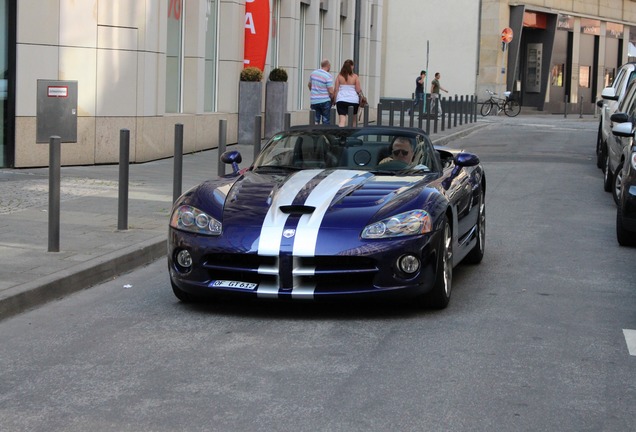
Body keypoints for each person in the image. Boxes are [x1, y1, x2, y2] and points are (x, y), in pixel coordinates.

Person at [334, 59, 363, 127]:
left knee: (342, 121)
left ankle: (342, 135)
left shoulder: (339, 76)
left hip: (341, 99)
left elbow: (336, 89)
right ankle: (352, 135)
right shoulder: (355, 77)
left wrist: (335, 100)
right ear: (352, 66)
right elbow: (358, 90)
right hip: (353, 100)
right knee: (353, 121)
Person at [307, 59, 335, 124]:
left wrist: (314, 92)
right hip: (325, 101)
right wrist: (333, 99)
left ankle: (315, 133)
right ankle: (325, 134)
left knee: (315, 121)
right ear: (328, 66)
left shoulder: (313, 73)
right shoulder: (328, 76)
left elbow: (309, 85)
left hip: (314, 101)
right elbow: (331, 91)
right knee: (326, 121)